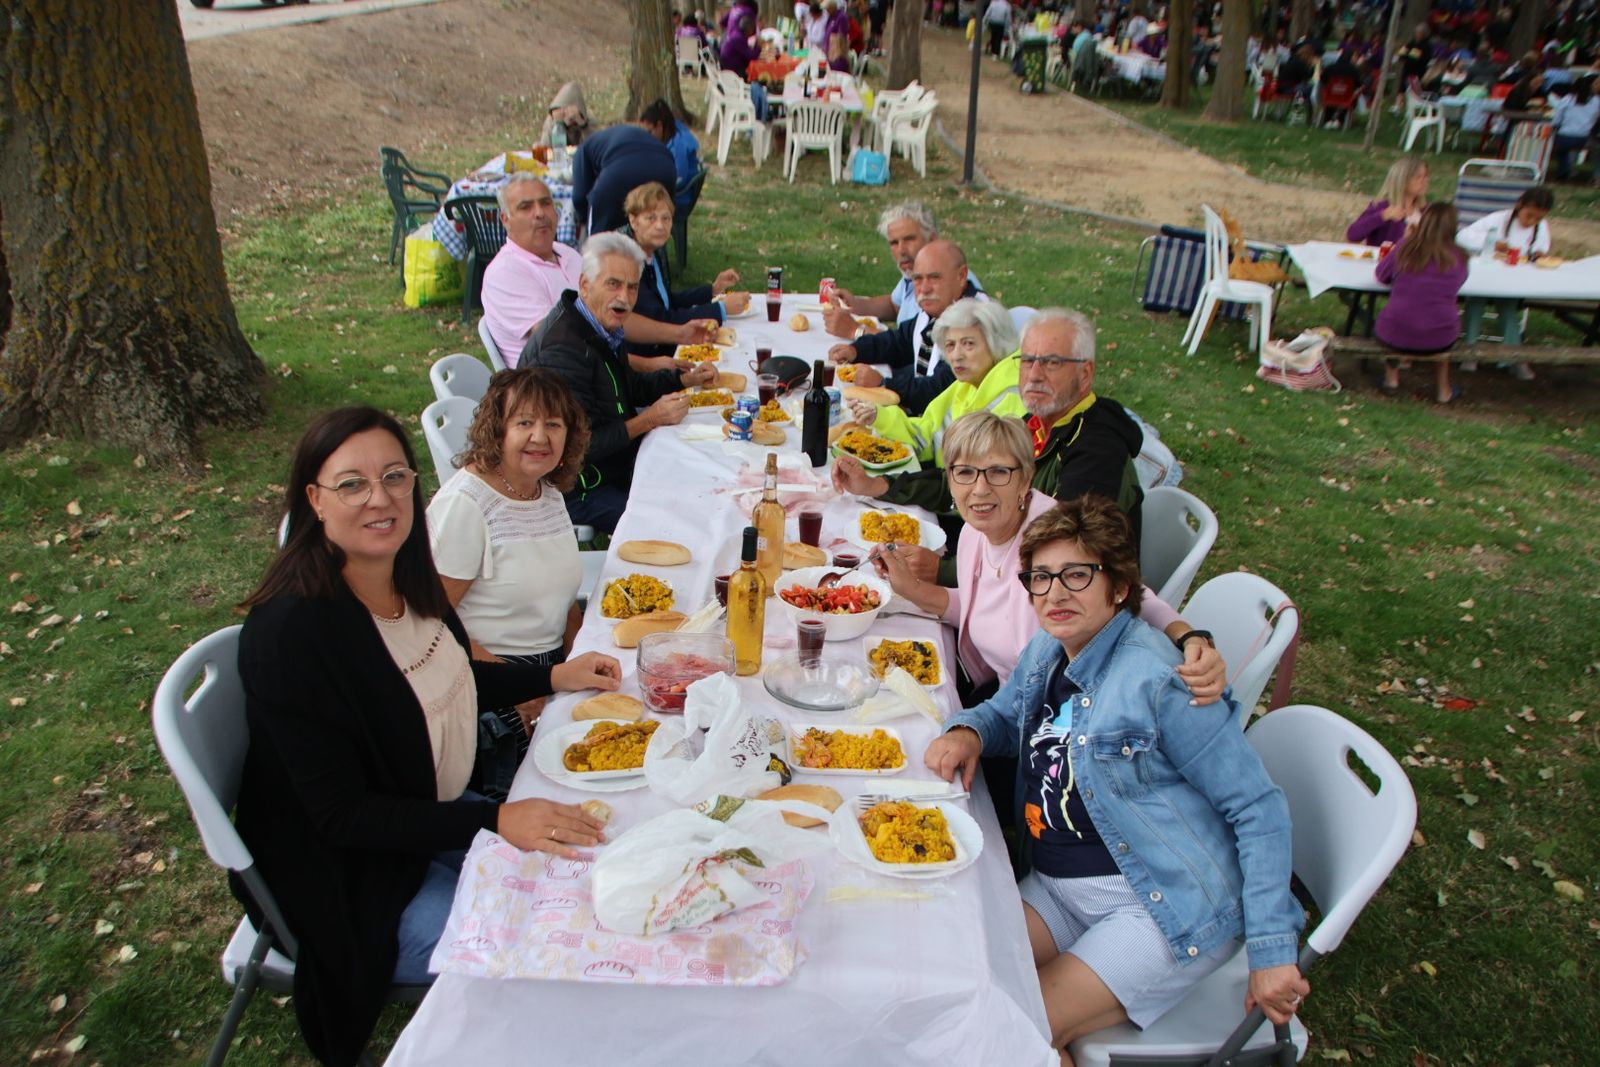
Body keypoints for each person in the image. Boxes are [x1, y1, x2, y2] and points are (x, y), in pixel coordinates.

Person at [234, 407, 620, 1065]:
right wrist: (496, 817)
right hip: (353, 880)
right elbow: (341, 816)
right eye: (352, 483)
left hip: (422, 818)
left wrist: (555, 672)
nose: (380, 498)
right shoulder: (292, 635)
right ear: (314, 500)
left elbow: (445, 670)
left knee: (586, 877)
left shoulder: (400, 579)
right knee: (540, 949)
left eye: (393, 476)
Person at [925, 495, 1308, 1056]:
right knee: (953, 973)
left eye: (1077, 575)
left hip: (1154, 903)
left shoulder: (1160, 682)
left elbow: (1257, 807)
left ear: (1121, 587)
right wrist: (970, 731)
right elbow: (1007, 713)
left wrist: (1273, 951)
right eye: (1041, 577)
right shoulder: (1050, 648)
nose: (1055, 593)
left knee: (1016, 1032)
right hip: (1059, 887)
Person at [874, 411, 1225, 695]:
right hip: (1003, 697)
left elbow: (1125, 590)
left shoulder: (1053, 537)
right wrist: (913, 591)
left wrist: (1187, 635)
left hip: (1052, 715)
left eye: (998, 472)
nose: (980, 489)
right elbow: (984, 609)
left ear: (1026, 478)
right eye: (965, 472)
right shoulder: (973, 534)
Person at [834, 308, 1145, 543]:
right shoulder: (1034, 424)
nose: (1034, 374)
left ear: (1085, 374)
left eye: (1051, 362)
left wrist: (942, 575)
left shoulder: (1097, 452)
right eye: (1027, 360)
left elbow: (1055, 553)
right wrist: (879, 485)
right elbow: (965, 482)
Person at [427, 370, 590, 798]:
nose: (540, 436)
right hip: (492, 684)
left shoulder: (545, 493)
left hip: (550, 669)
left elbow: (563, 596)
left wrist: (579, 663)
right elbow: (434, 623)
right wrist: (523, 690)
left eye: (554, 425)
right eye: (524, 423)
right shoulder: (466, 505)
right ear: (496, 429)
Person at [521, 233, 716, 532]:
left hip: (610, 465)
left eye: (632, 287)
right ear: (585, 284)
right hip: (572, 487)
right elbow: (576, 446)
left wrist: (683, 379)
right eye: (613, 284)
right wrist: (648, 420)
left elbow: (626, 387)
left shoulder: (597, 324)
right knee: (672, 522)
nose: (624, 298)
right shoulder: (562, 350)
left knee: (701, 477)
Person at [847, 297, 1026, 467]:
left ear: (996, 344)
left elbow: (973, 472)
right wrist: (879, 417)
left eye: (968, 344)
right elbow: (928, 437)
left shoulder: (1012, 396)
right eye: (950, 345)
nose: (956, 355)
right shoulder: (966, 385)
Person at [826, 239, 980, 416]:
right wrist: (856, 350)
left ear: (961, 276)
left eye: (934, 277)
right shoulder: (939, 308)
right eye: (918, 279)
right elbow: (899, 341)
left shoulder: (974, 323)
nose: (925, 288)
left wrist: (884, 384)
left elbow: (940, 390)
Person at [619, 181, 748, 356]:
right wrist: (720, 309)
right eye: (651, 218)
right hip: (645, 357)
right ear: (633, 221)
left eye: (666, 218)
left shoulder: (653, 251)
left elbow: (667, 302)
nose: (660, 225)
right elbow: (660, 319)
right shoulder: (626, 260)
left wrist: (712, 290)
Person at [823, 201, 985, 337]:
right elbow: (894, 305)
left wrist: (855, 331)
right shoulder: (913, 274)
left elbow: (919, 349)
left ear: (932, 239)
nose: (901, 251)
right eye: (894, 243)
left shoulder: (952, 284)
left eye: (909, 239)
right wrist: (854, 304)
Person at [480, 175, 582, 368]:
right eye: (525, 207)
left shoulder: (569, 254)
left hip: (593, 371)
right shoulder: (504, 273)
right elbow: (559, 338)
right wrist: (644, 364)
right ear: (506, 219)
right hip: (553, 387)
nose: (539, 213)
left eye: (545, 203)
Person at [1455, 187, 1553, 384]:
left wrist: (1539, 254)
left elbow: (1541, 248)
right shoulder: (1498, 220)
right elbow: (1462, 236)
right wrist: (1493, 243)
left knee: (1508, 308)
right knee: (1475, 303)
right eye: (1529, 216)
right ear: (1520, 205)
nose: (1532, 221)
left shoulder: (1541, 228)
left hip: (1512, 280)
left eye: (1537, 218)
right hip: (1485, 275)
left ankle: (1513, 356)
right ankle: (1470, 351)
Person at [1376, 202, 1469, 403]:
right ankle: (1444, 390)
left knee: (1395, 319)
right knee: (1439, 324)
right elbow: (1458, 282)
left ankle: (1391, 379)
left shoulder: (1407, 247)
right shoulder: (1459, 257)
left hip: (1396, 332)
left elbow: (1381, 274)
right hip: (1441, 335)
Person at [571, 121, 679, 236]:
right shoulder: (609, 139)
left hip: (620, 173)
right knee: (652, 225)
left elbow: (579, 196)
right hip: (665, 165)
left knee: (599, 241)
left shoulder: (583, 149)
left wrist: (583, 218)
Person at [1346, 157, 1429, 247]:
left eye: (1426, 176)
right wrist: (1383, 216)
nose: (1424, 181)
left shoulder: (1426, 210)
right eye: (1418, 177)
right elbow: (1353, 235)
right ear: (1402, 180)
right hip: (1386, 260)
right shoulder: (1382, 206)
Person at [638, 99, 701, 211]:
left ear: (659, 126)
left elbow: (679, 180)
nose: (647, 137)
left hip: (679, 199)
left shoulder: (679, 145)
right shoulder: (672, 130)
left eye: (649, 132)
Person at [1550, 78, 1599, 180]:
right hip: (1583, 138)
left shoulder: (1568, 98)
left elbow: (1557, 118)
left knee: (1563, 150)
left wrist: (1556, 126)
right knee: (1596, 147)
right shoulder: (1597, 102)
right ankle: (1597, 176)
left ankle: (1564, 171)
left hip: (1563, 137)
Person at [541, 82, 592, 148]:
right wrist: (557, 124)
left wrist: (582, 124)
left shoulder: (588, 120)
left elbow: (594, 145)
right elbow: (546, 145)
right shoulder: (551, 121)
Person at [720, 12, 758, 77]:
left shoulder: (737, 34)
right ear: (749, 28)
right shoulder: (739, 38)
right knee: (755, 73)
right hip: (732, 69)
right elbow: (751, 57)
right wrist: (758, 46)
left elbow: (745, 51)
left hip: (728, 64)